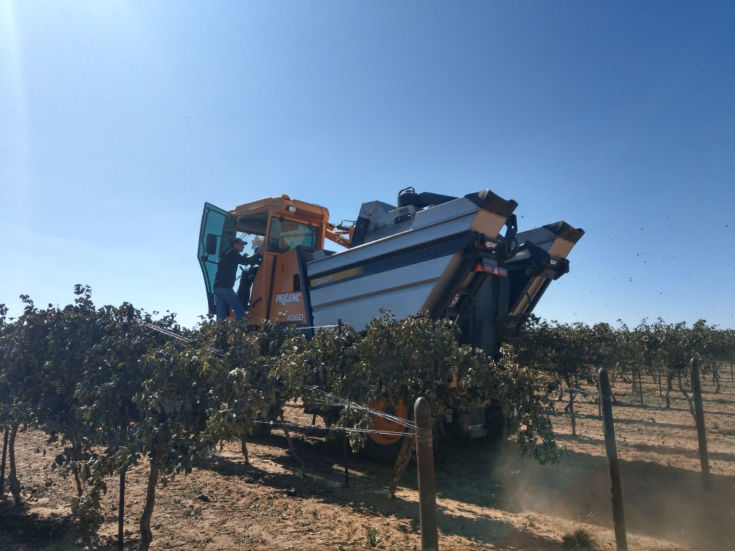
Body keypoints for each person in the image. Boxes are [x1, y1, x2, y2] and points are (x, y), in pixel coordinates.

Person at [213, 238, 258, 321]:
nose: (243, 247)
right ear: (235, 244)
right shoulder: (233, 252)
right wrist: (258, 254)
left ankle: (220, 331)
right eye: (241, 244)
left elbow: (236, 260)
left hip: (217, 287)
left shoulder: (226, 253)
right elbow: (245, 261)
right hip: (225, 288)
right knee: (240, 311)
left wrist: (242, 257)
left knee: (221, 314)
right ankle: (237, 331)